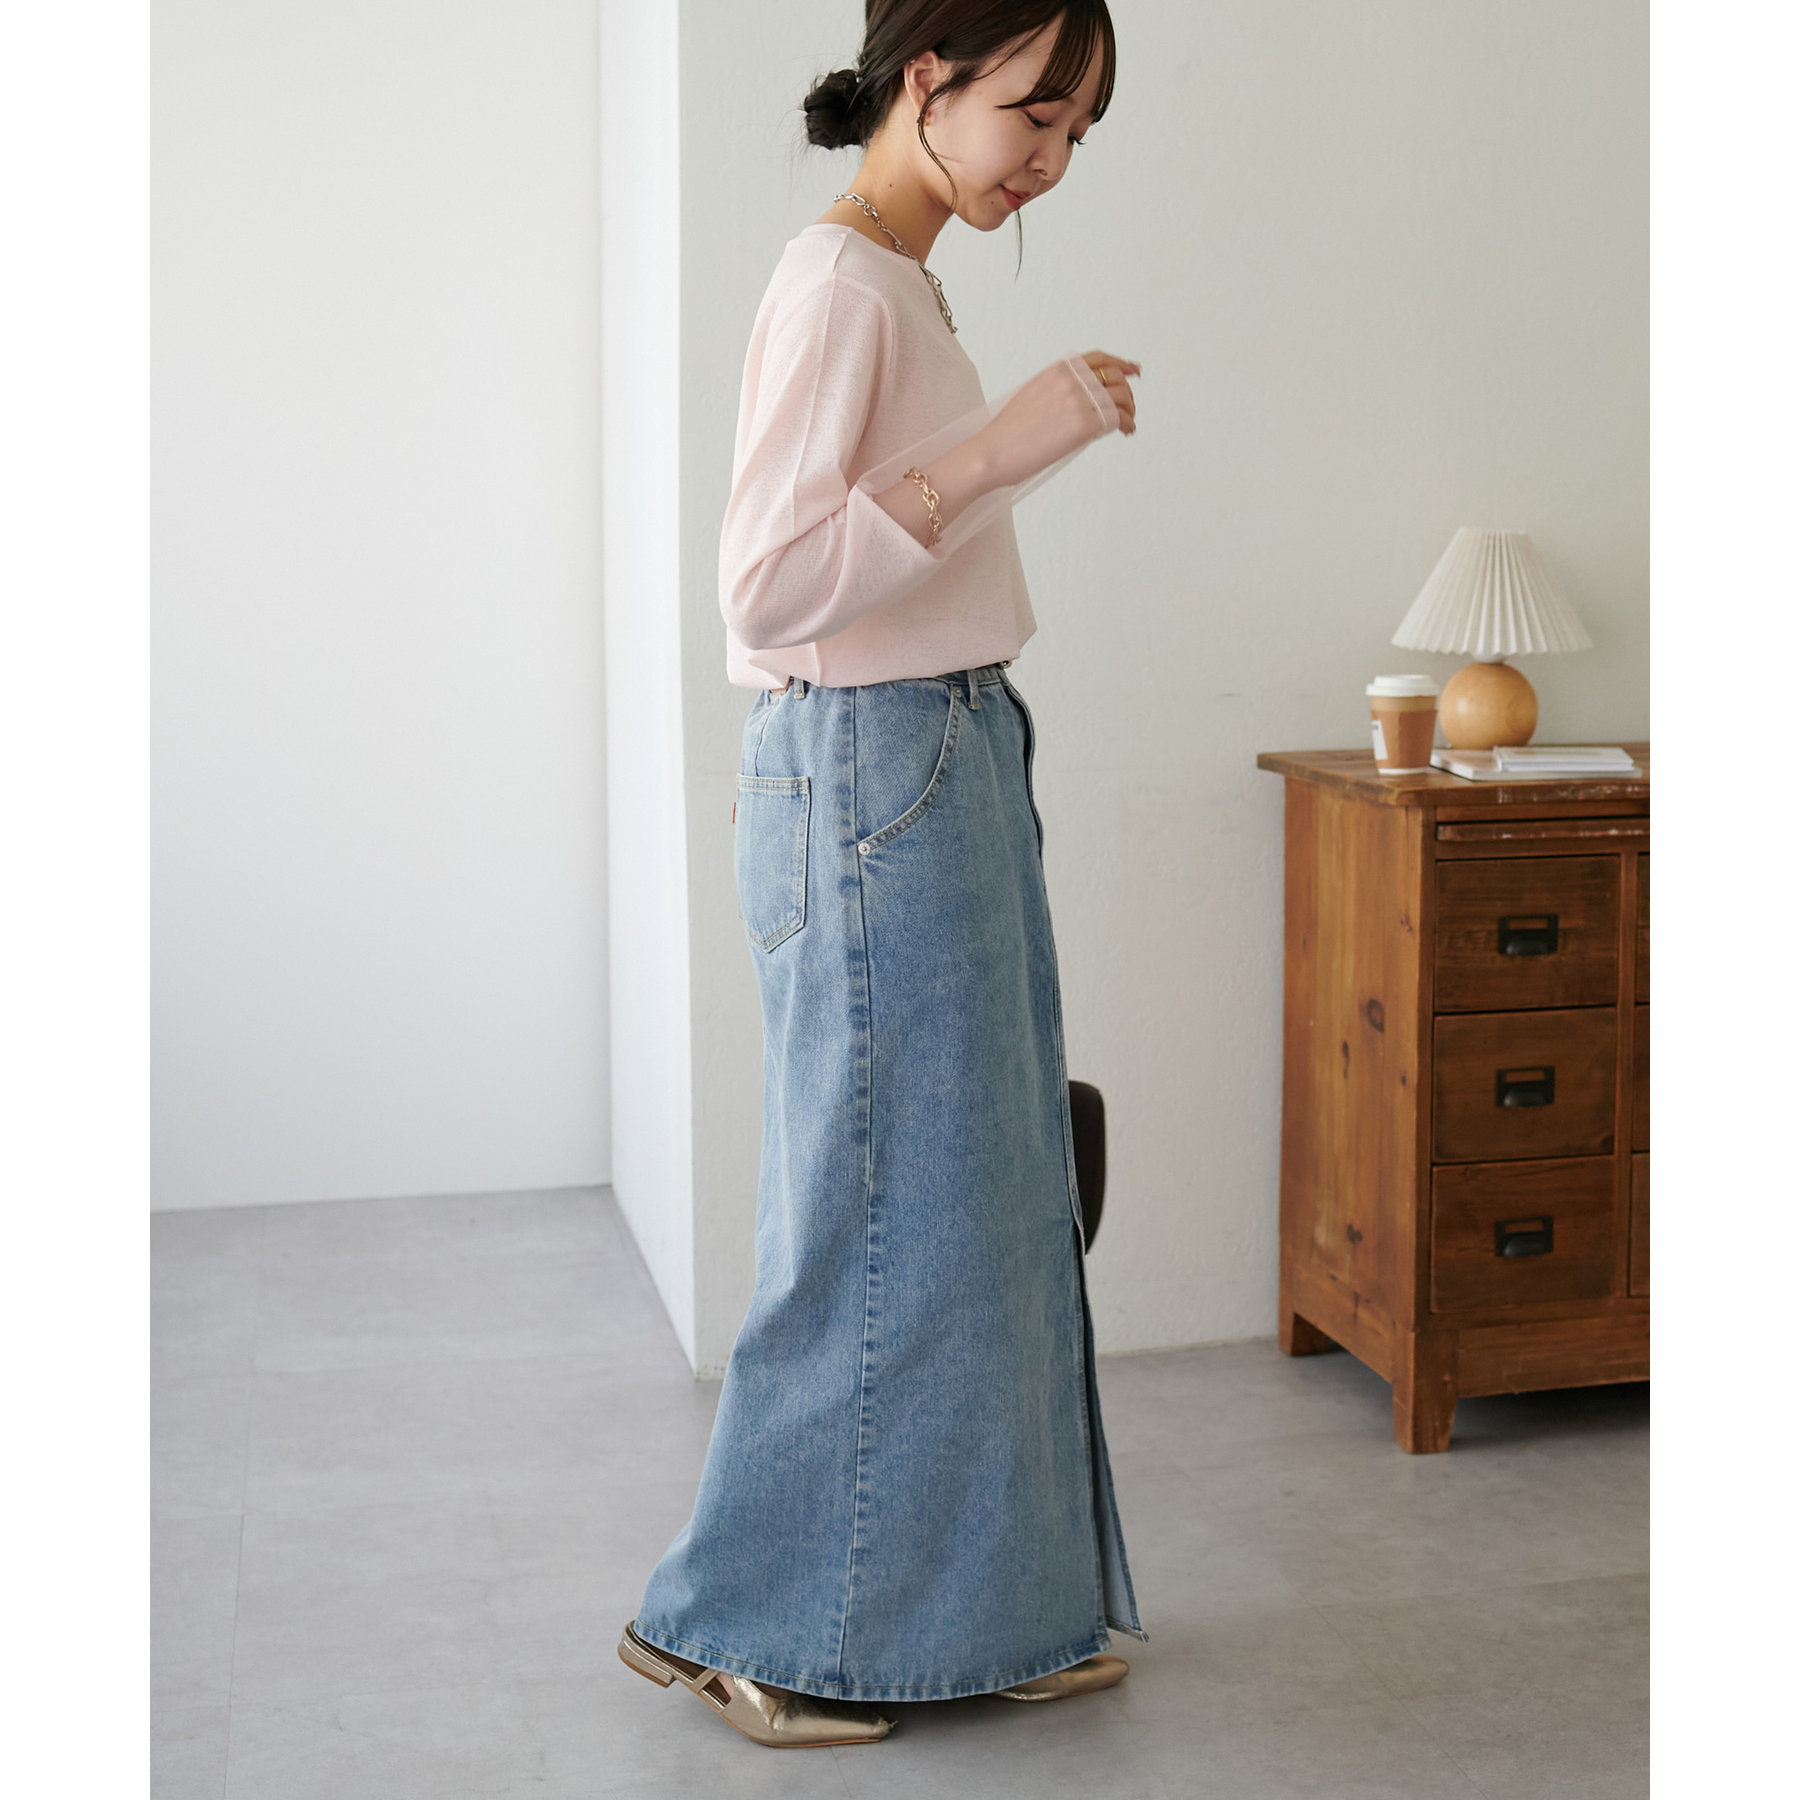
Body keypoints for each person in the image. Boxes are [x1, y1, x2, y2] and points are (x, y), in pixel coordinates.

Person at [619, 0, 1144, 1748]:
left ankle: (988, 1614)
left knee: (987, 1202)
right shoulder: (839, 283)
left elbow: (877, 556)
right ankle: (748, 1628)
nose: (1050, 162)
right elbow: (768, 589)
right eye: (1035, 115)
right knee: (876, 1214)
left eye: (1077, 134)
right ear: (928, 74)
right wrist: (1007, 444)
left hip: (940, 749)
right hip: (873, 766)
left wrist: (1000, 457)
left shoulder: (899, 282)